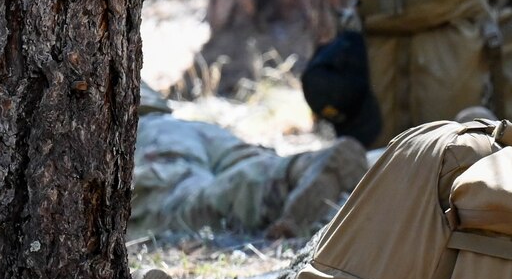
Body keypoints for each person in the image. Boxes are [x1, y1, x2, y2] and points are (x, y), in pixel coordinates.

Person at [133, 83, 366, 240]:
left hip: (133, 132)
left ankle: (292, 177)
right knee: (259, 162)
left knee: (184, 207)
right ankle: (374, 168)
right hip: (177, 124)